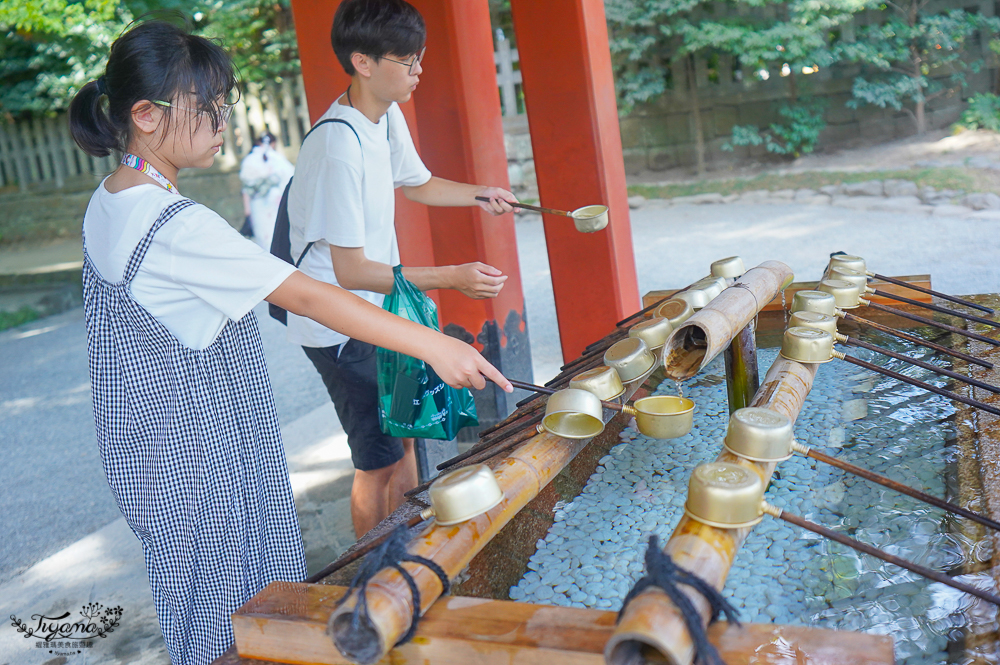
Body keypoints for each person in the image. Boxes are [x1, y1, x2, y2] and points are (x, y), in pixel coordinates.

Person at [68, 20, 511, 665]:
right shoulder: (173, 223)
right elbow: (305, 292)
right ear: (145, 115)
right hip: (206, 465)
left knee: (198, 606)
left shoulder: (112, 199)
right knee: (247, 614)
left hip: (151, 451)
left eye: (226, 101)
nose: (224, 119)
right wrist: (430, 344)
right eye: (208, 106)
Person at [287, 0, 519, 540]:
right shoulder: (337, 146)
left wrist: (479, 194)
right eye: (408, 61)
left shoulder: (383, 115)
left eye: (420, 59)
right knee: (378, 460)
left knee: (409, 432)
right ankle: (370, 568)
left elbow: (416, 183)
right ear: (363, 62)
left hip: (380, 311)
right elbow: (351, 272)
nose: (418, 71)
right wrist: (453, 276)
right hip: (339, 324)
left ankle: (410, 544)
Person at [239, 132, 294, 248]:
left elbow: (246, 188)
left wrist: (247, 210)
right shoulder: (277, 158)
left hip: (257, 203)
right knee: (277, 233)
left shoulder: (250, 159)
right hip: (276, 201)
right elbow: (289, 177)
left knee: (263, 235)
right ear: (273, 143)